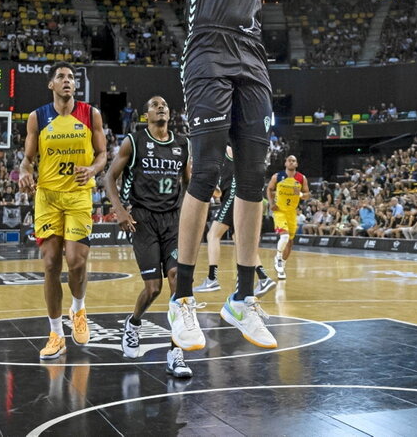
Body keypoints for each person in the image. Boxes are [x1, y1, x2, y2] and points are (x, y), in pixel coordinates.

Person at [171, 0, 300, 351]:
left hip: (250, 52)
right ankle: (182, 299)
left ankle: (241, 299)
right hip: (207, 47)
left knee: (252, 174)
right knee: (206, 169)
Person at [19, 61, 107, 360]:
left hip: (79, 194)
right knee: (51, 263)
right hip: (48, 197)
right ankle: (56, 332)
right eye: (61, 77)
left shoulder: (90, 113)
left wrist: (93, 168)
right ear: (51, 85)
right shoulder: (37, 118)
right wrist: (23, 172)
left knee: (76, 261)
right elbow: (28, 159)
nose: (67, 81)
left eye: (70, 77)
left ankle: (78, 309)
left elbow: (103, 153)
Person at [105, 95, 193, 378]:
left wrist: (196, 213)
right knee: (153, 288)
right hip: (142, 219)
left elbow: (189, 184)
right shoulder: (134, 141)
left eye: (165, 105)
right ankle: (133, 323)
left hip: (173, 222)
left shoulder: (183, 144)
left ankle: (176, 351)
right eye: (155, 105)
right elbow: (109, 178)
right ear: (146, 115)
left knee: (178, 280)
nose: (161, 107)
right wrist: (119, 210)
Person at [194, 146, 276, 297]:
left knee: (213, 235)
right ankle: (263, 277)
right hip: (230, 195)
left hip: (233, 194)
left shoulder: (225, 149)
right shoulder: (214, 160)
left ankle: (212, 278)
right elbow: (217, 191)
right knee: (238, 239)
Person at [267, 154, 310, 279]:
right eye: (289, 160)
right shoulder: (277, 176)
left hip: (292, 212)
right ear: (285, 163)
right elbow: (269, 189)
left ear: (296, 164)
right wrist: (271, 203)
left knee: (290, 242)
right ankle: (278, 258)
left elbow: (307, 195)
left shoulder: (301, 178)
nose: (291, 162)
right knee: (284, 236)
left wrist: (301, 194)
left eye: (294, 161)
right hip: (279, 210)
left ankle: (282, 266)